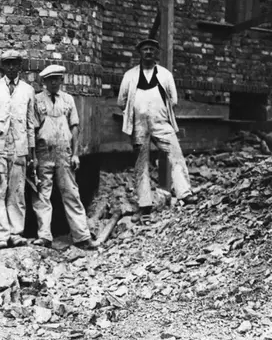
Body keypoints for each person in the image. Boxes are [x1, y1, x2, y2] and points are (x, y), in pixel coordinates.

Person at [117, 38, 196, 224]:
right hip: (139, 125)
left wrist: (156, 111)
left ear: (156, 53)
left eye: (152, 49)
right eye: (145, 49)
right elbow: (121, 101)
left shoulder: (165, 75)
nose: (148, 52)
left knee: (175, 153)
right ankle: (145, 204)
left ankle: (185, 193)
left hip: (161, 122)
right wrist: (138, 111)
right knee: (141, 163)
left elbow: (173, 100)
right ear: (140, 52)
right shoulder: (130, 75)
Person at [33, 65, 98, 250]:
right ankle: (44, 236)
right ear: (44, 81)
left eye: (57, 79)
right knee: (42, 195)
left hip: (64, 153)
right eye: (50, 79)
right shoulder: (37, 100)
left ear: (61, 80)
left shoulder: (68, 99)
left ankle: (82, 236)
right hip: (44, 152)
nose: (54, 82)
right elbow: (32, 129)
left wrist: (75, 154)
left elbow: (75, 127)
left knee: (71, 193)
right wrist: (34, 156)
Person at [0, 50, 36, 249]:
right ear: (2, 66)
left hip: (19, 147)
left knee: (17, 191)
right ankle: (0, 235)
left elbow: (30, 123)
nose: (11, 67)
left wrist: (31, 152)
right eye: (7, 63)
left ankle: (16, 232)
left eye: (15, 63)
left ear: (20, 66)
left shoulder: (28, 90)